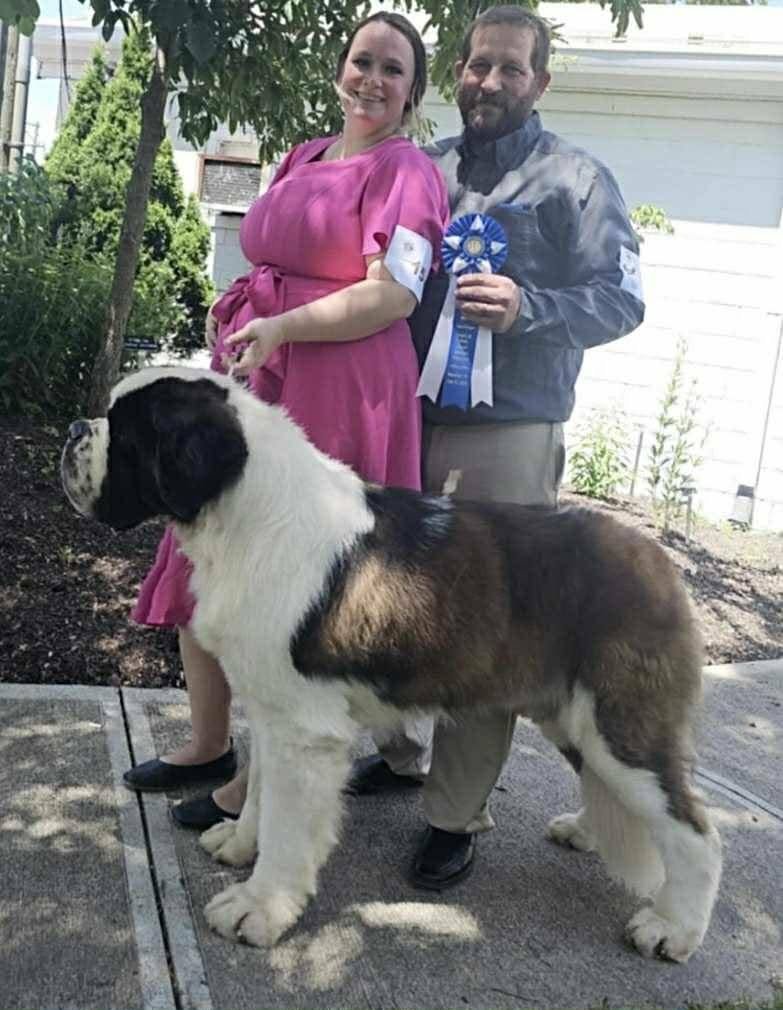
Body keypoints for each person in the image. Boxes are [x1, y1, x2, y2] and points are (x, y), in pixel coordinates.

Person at [123, 11, 449, 829]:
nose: (372, 79)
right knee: (201, 550)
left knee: (292, 592)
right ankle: (207, 743)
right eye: (361, 61)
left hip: (341, 389)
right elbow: (270, 257)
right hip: (260, 373)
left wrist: (284, 326)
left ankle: (254, 792)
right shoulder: (305, 154)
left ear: (412, 94)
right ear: (340, 68)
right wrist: (236, 312)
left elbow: (393, 295)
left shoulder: (406, 170)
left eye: (393, 70)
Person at [347, 4, 646, 890]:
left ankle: (453, 812)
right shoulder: (421, 168)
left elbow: (621, 301)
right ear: (459, 71)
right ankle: (399, 756)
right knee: (380, 605)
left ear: (539, 82)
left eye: (511, 69)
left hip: (509, 435)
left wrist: (530, 309)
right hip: (402, 425)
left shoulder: (578, 181)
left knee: (484, 632)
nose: (490, 81)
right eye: (478, 65)